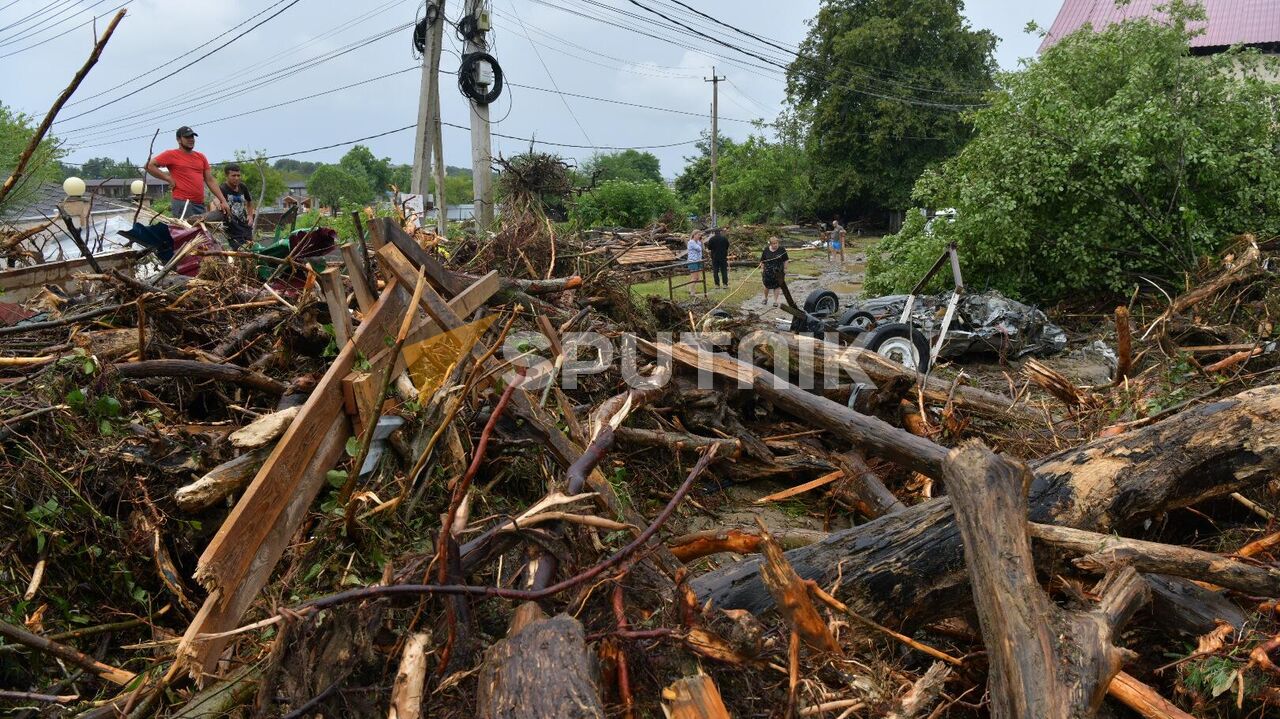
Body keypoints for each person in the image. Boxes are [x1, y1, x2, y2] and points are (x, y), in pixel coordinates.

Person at [146, 126, 229, 220]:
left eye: (192, 137)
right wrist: (168, 178)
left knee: (199, 233)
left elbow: (210, 180)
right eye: (187, 137)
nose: (191, 140)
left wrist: (223, 201)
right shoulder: (171, 154)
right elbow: (149, 166)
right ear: (178, 140)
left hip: (199, 203)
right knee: (186, 232)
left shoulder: (201, 157)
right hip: (183, 203)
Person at [218, 163, 255, 249]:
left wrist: (250, 215)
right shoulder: (222, 188)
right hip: (232, 226)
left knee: (251, 248)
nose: (236, 178)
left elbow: (249, 202)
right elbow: (215, 201)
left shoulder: (242, 187)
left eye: (238, 175)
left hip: (244, 225)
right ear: (227, 176)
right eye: (233, 176)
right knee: (239, 250)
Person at [759, 235, 789, 307]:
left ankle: (775, 301)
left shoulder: (782, 250)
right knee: (766, 285)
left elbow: (786, 260)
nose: (775, 245)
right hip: (768, 271)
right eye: (773, 243)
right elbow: (762, 260)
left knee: (777, 286)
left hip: (779, 271)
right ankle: (765, 298)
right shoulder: (766, 250)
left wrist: (785, 268)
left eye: (776, 243)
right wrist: (762, 268)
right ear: (770, 244)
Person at [685, 230, 705, 297]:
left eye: (700, 235)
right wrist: (701, 243)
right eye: (698, 235)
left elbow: (703, 249)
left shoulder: (698, 242)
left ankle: (690, 288)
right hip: (693, 261)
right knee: (695, 277)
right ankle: (692, 291)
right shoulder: (691, 242)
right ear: (694, 235)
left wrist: (701, 242)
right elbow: (699, 249)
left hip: (698, 261)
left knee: (697, 278)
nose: (700, 236)